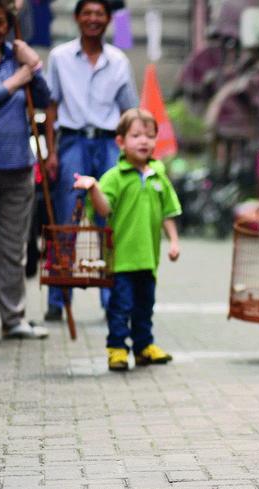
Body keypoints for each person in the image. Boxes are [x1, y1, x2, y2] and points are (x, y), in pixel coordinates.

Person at [44, 0, 138, 321]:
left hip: (109, 142)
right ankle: (58, 297)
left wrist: (133, 155)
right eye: (87, 13)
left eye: (100, 14)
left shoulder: (119, 61)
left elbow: (129, 111)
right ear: (77, 18)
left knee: (109, 219)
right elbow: (51, 106)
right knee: (65, 219)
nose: (93, 19)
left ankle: (111, 297)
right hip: (70, 141)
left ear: (109, 20)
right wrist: (51, 151)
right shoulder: (58, 57)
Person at [73, 108, 181, 372]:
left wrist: (174, 242)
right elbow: (103, 209)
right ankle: (117, 348)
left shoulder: (158, 175)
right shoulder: (114, 176)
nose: (144, 141)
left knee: (145, 305)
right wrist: (93, 188)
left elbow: (168, 212)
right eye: (136, 136)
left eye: (149, 136)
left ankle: (144, 346)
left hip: (149, 259)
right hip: (121, 259)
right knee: (120, 306)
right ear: (120, 142)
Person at [0, 0, 49, 339]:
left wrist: (34, 67)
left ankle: (13, 319)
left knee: (13, 249)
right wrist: (15, 81)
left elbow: (43, 97)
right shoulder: (15, 71)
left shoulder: (19, 56)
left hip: (17, 169)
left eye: (0, 22)